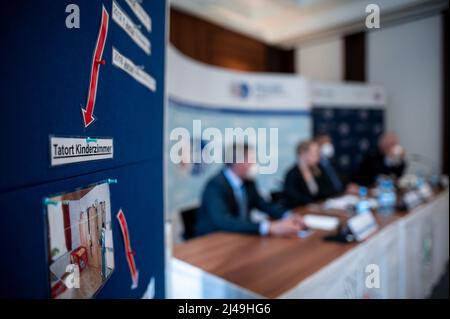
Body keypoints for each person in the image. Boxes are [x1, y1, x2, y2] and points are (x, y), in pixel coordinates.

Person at [196, 143, 304, 237]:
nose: (254, 164)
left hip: (240, 235)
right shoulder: (215, 186)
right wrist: (269, 227)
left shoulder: (248, 181)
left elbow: (263, 204)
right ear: (237, 163)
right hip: (215, 239)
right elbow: (223, 221)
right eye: (251, 160)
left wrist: (288, 215)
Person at [283, 140, 338, 209]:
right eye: (315, 153)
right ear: (302, 154)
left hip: (321, 208)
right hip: (302, 211)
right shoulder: (292, 174)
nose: (318, 157)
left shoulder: (319, 169)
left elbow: (330, 189)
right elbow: (293, 199)